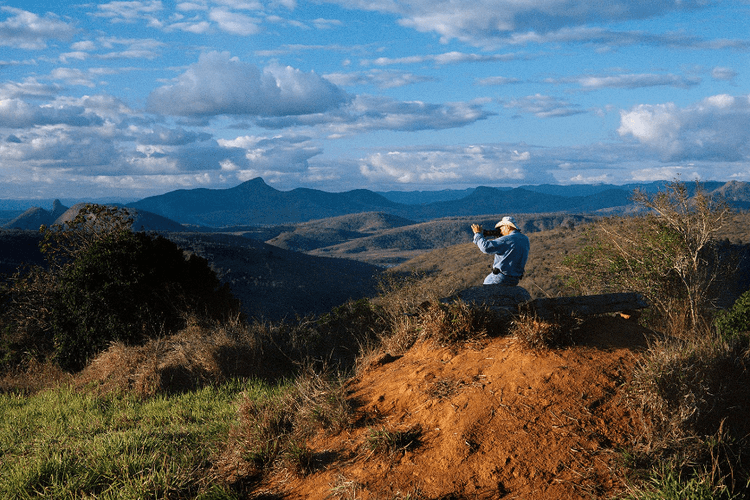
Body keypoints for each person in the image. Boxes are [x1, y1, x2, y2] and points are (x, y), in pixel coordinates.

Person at [471, 216, 529, 286]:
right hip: (515, 279)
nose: (500, 231)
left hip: (501, 277)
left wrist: (478, 234)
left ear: (508, 226)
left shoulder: (507, 239)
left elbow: (485, 247)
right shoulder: (525, 239)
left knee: (485, 289)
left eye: (501, 228)